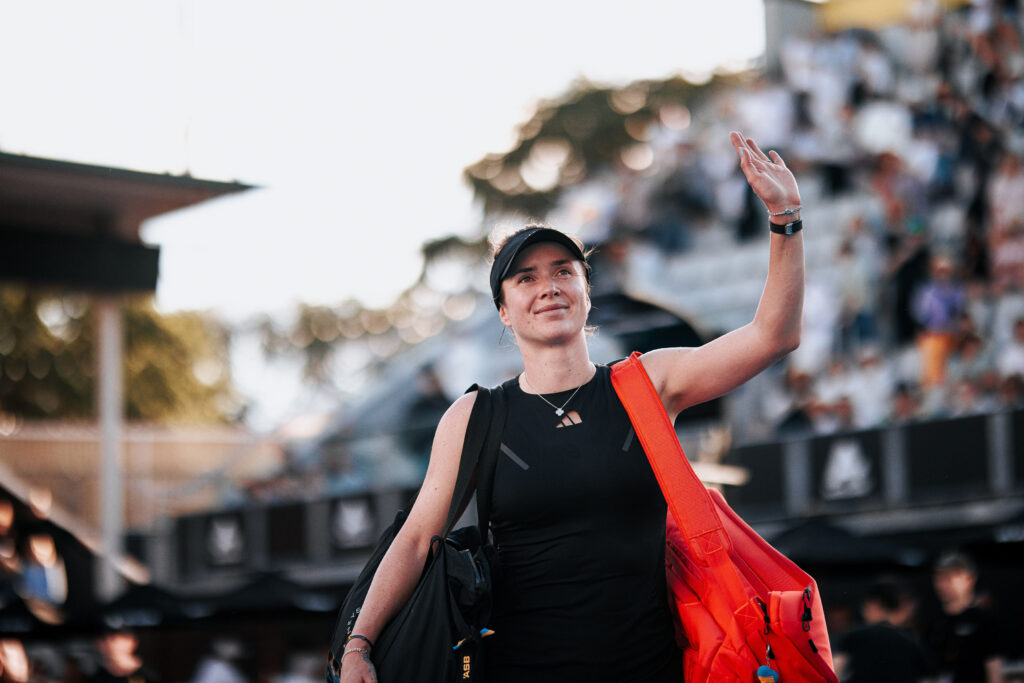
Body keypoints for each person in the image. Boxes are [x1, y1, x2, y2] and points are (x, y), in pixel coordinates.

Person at [338, 131, 805, 682]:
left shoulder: (646, 384)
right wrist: (358, 645)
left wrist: (785, 218)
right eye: (526, 278)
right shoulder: (476, 416)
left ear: (587, 290)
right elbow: (417, 539)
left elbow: (772, 336)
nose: (548, 287)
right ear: (505, 312)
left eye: (564, 270)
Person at [924, 551, 1005, 683]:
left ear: (969, 579)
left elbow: (994, 668)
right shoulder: (933, 623)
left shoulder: (984, 621)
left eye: (950, 578)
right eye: (939, 578)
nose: (943, 585)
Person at [833, 578, 935, 683]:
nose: (862, 612)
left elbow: (834, 672)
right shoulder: (913, 643)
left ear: (874, 604)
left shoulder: (853, 637)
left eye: (865, 607)